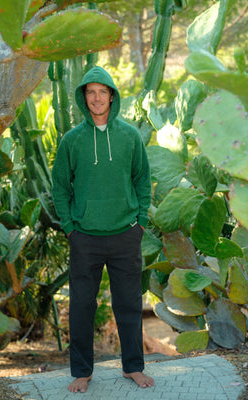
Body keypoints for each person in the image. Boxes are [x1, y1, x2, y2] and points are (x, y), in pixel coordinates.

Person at [52, 66, 154, 393]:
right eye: (90, 92)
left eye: (102, 91)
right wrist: (70, 227)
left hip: (126, 234)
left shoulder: (129, 136)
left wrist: (141, 223)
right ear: (84, 97)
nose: (97, 98)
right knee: (82, 306)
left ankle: (133, 368)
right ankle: (82, 372)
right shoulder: (72, 140)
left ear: (112, 96)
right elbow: (59, 187)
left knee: (128, 304)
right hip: (85, 238)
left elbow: (142, 180)